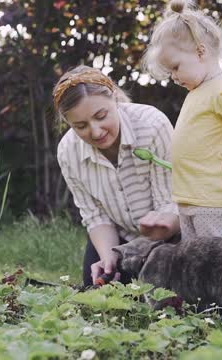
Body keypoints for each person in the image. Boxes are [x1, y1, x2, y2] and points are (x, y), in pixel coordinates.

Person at [142, 0, 222, 239]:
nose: (174, 78)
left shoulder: (221, 91)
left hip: (210, 199)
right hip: (190, 197)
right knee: (194, 261)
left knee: (211, 261)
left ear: (200, 52)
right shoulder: (198, 92)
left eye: (176, 68)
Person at [54, 65, 180, 287]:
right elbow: (95, 216)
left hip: (170, 233)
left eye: (101, 116)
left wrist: (162, 226)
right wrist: (109, 256)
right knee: (96, 288)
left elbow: (172, 203)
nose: (96, 131)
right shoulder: (68, 151)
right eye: (80, 126)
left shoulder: (152, 125)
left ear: (114, 98)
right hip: (117, 238)